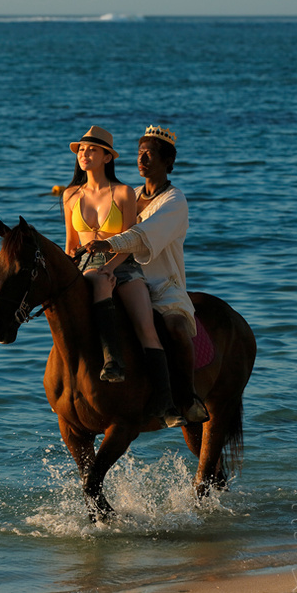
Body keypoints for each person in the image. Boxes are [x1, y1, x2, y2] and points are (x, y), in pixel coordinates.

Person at [62, 126, 186, 428]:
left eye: (91, 150)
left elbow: (132, 237)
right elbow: (70, 245)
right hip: (86, 265)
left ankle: (169, 402)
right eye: (81, 149)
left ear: (107, 157)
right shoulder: (69, 195)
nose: (84, 154)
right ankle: (96, 367)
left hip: (124, 264)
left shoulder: (126, 193)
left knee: (149, 326)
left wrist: (111, 265)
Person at [85, 125, 208, 423]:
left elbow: (141, 235)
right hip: (126, 275)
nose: (142, 159)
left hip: (164, 285)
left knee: (177, 328)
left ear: (167, 162)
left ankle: (186, 398)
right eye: (140, 153)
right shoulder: (129, 193)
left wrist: (108, 243)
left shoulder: (175, 202)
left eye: (149, 154)